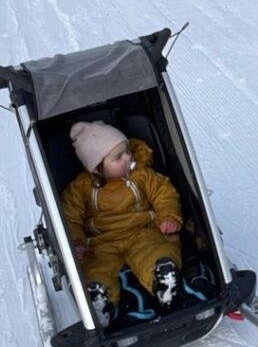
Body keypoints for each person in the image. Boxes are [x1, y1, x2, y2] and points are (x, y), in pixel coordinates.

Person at [61, 119, 183, 327]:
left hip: (142, 231)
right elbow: (70, 216)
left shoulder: (141, 175)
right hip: (101, 242)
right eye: (118, 157)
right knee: (96, 266)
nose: (128, 157)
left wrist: (168, 216)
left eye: (127, 151)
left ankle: (163, 278)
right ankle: (99, 296)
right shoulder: (81, 188)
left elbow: (165, 194)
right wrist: (77, 242)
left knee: (156, 249)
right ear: (97, 168)